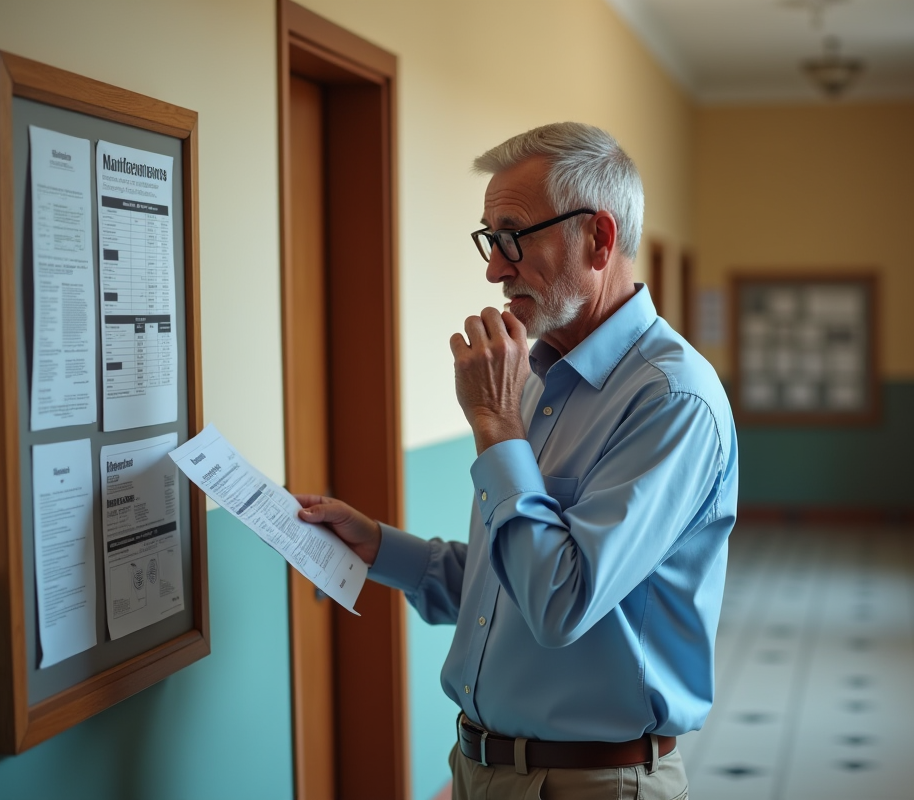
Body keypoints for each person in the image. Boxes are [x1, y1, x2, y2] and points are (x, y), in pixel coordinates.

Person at [296, 122, 738, 800]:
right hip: (481, 769)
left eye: (513, 236)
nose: (494, 269)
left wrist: (496, 428)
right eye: (489, 238)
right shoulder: (531, 379)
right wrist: (378, 547)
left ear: (599, 238)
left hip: (591, 782)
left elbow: (559, 603)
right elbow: (504, 584)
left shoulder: (672, 400)